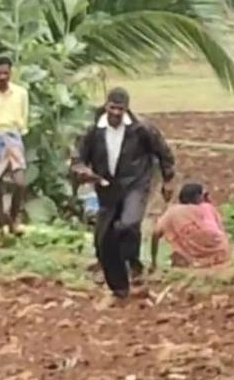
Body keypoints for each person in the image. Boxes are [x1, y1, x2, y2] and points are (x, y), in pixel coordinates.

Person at [71, 88, 175, 299]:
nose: (116, 113)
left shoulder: (141, 129)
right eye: (113, 108)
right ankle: (119, 288)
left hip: (135, 183)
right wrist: (83, 172)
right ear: (106, 106)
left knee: (128, 223)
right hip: (107, 187)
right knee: (104, 240)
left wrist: (168, 179)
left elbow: (163, 152)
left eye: (121, 109)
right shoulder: (93, 132)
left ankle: (133, 264)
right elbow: (77, 160)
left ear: (126, 109)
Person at [150, 183, 231, 270]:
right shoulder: (209, 208)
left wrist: (154, 261)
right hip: (220, 257)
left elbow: (156, 233)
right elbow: (222, 232)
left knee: (177, 256)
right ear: (198, 197)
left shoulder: (173, 212)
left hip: (190, 259)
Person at [0, 55, 29, 236]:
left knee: (19, 183)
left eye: (5, 73)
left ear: (11, 73)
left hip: (13, 137)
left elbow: (23, 119)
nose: (2, 77)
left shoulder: (21, 93)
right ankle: (2, 223)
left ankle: (14, 217)